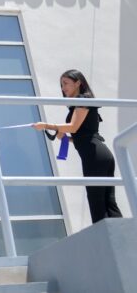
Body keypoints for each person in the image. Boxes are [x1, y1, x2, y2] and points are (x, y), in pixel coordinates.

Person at [32, 69, 123, 223]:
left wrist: (47, 125)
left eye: (66, 83)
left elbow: (73, 127)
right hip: (98, 154)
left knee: (97, 200)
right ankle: (120, 235)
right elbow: (81, 135)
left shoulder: (83, 99)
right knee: (107, 200)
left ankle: (103, 235)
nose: (63, 88)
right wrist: (65, 138)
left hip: (95, 155)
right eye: (61, 85)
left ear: (78, 83)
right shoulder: (81, 103)